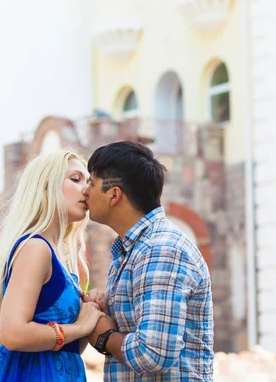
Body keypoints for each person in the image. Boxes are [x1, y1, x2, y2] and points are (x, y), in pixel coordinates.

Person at [83, 142, 214, 381]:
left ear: (114, 194)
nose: (86, 191)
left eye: (91, 183)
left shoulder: (161, 249)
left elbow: (153, 354)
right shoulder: (132, 250)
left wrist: (105, 336)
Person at [0, 150, 106, 381]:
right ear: (45, 186)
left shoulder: (60, 256)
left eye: (89, 182)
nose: (87, 189)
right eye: (75, 179)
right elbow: (14, 334)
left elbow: (65, 349)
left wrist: (88, 312)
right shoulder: (35, 248)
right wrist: (82, 327)